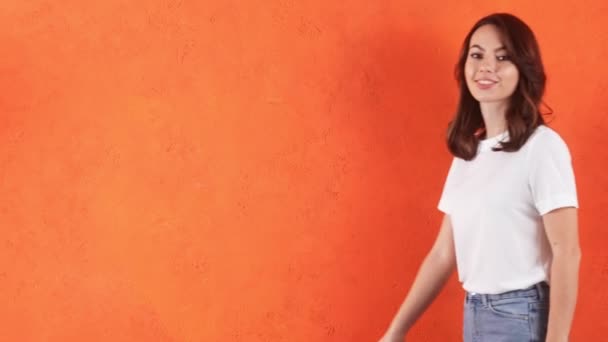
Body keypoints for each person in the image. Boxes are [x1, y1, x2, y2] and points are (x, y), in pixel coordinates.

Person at [378, 13, 581, 342]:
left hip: (520, 314)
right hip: (475, 312)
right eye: (477, 55)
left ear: (523, 70)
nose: (487, 67)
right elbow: (444, 254)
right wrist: (396, 331)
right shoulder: (468, 156)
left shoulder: (542, 147)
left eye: (503, 57)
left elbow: (567, 252)